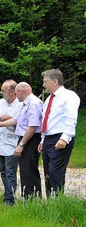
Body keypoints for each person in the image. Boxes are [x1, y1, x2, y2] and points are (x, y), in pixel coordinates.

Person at [0, 82, 42, 199]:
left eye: (16, 93)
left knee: (28, 170)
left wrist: (21, 144)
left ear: (19, 91)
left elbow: (33, 126)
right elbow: (16, 120)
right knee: (24, 171)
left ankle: (30, 199)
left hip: (29, 140)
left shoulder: (33, 103)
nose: (16, 96)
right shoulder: (25, 104)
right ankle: (26, 199)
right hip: (16, 141)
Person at [38, 69, 81, 197]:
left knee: (55, 172)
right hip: (48, 138)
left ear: (55, 81)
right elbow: (48, 121)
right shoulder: (49, 99)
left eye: (45, 81)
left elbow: (71, 118)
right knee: (47, 173)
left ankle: (57, 202)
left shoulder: (69, 96)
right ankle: (51, 202)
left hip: (60, 137)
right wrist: (42, 139)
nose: (43, 85)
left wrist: (65, 138)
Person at [0, 80, 22, 205]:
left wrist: (8, 118)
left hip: (11, 144)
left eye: (3, 90)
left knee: (10, 173)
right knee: (3, 172)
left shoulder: (20, 105)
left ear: (12, 92)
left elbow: (22, 124)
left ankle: (9, 199)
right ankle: (8, 195)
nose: (0, 92)